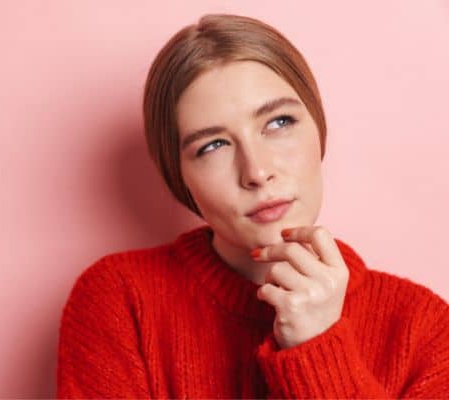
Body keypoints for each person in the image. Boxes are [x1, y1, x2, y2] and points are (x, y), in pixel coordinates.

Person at [56, 13, 449, 399]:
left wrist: (317, 348)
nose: (257, 172)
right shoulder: (121, 300)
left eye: (279, 123)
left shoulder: (423, 327)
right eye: (212, 146)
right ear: (180, 176)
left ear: (318, 128)